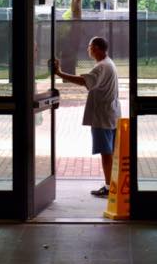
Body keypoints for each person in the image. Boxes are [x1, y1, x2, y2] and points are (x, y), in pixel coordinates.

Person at [52, 36, 121, 197]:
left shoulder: (102, 66)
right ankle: (112, 184)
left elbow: (84, 81)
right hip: (109, 114)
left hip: (103, 117)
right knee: (109, 152)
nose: (88, 49)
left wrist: (59, 73)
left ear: (96, 48)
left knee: (106, 153)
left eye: (89, 46)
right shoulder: (108, 63)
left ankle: (109, 187)